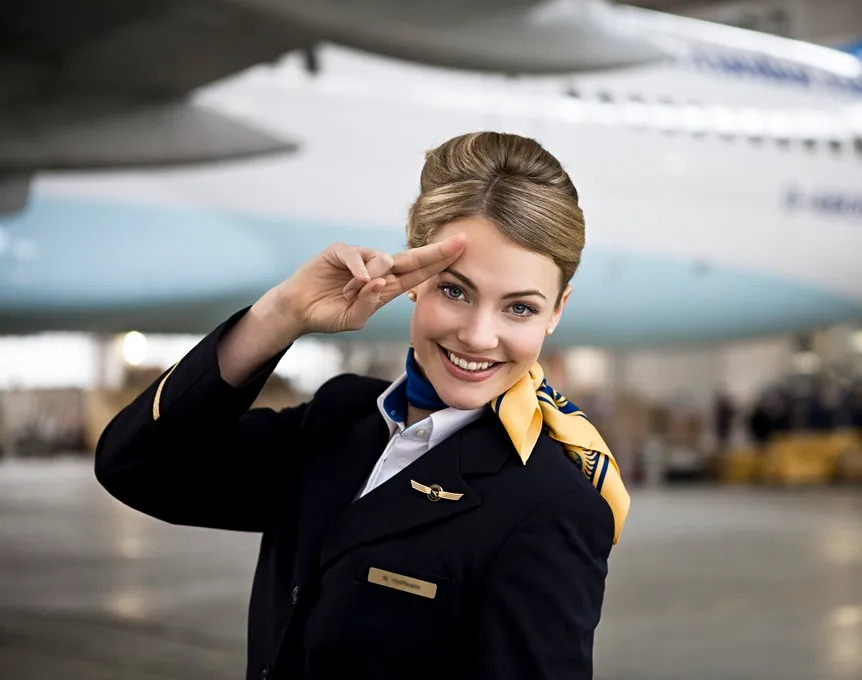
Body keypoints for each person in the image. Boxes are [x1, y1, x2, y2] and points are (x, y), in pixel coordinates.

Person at [95, 131, 631, 680]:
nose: (478, 335)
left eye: (519, 308)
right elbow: (137, 468)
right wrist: (282, 314)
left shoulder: (551, 503)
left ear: (557, 310)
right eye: (455, 291)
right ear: (414, 278)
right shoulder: (339, 420)